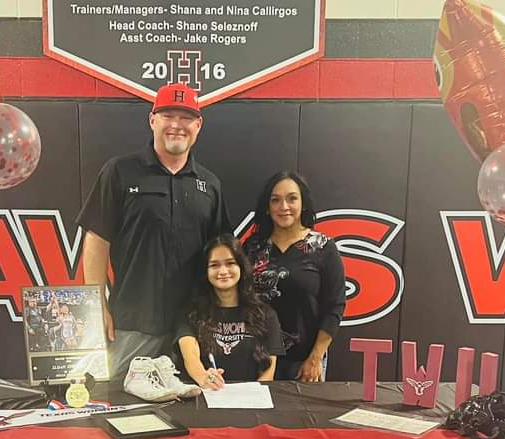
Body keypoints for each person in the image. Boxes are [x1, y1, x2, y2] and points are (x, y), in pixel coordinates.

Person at [77, 82, 232, 380]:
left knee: (198, 416)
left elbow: (222, 253)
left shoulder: (210, 184)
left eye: (186, 117)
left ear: (198, 125)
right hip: (133, 322)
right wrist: (97, 305)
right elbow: (96, 239)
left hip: (192, 327)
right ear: (152, 120)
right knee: (124, 408)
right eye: (168, 116)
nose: (176, 125)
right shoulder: (120, 171)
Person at [243, 171, 346, 382]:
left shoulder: (323, 247)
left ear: (303, 203)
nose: (284, 207)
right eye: (275, 200)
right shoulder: (252, 247)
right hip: (257, 359)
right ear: (267, 206)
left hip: (304, 363)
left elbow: (335, 306)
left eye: (292, 198)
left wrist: (316, 358)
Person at [177, 235, 283, 388]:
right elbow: (190, 357)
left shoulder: (266, 315)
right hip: (206, 399)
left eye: (230, 263)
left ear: (241, 267)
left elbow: (267, 374)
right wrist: (204, 378)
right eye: (214, 265)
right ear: (205, 271)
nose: (223, 271)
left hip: (251, 403)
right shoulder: (191, 313)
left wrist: (253, 401)